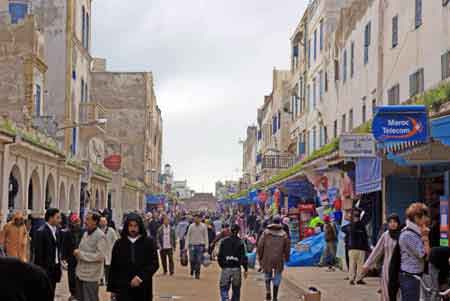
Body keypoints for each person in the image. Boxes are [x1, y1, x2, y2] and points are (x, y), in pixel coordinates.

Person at [107, 213, 160, 301]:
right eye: (130, 226)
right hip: (123, 288)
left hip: (143, 287)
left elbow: (154, 264)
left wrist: (140, 277)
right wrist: (113, 289)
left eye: (135, 226)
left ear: (140, 226)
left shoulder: (148, 243)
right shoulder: (119, 244)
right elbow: (114, 267)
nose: (133, 229)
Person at [362, 214, 401, 301]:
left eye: (395, 222)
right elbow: (377, 251)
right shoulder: (385, 235)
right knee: (386, 292)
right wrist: (367, 265)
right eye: (390, 222)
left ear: (398, 223)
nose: (392, 224)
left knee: (399, 293)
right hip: (387, 269)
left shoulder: (402, 235)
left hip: (400, 269)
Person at [398, 203, 431, 301]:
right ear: (416, 218)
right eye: (425, 216)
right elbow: (425, 255)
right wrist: (425, 238)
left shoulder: (415, 232)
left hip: (416, 277)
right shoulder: (408, 235)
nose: (427, 219)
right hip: (410, 277)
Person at [74, 211, 107, 301]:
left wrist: (81, 254)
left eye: (88, 219)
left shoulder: (100, 236)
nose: (85, 221)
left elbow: (100, 256)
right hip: (80, 273)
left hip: (91, 276)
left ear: (95, 222)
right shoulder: (85, 233)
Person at [257, 216, 290, 301]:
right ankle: (275, 297)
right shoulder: (284, 233)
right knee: (277, 275)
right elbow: (287, 247)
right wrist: (287, 257)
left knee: (267, 274)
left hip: (267, 258)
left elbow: (260, 245)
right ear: (280, 222)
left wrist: (260, 257)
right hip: (279, 258)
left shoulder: (266, 232)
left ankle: (268, 292)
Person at [33, 208, 62, 298]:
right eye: (57, 218)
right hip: (45, 269)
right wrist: (41, 271)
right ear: (50, 218)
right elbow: (39, 255)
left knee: (51, 292)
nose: (60, 220)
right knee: (43, 294)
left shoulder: (56, 231)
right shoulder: (41, 232)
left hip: (55, 267)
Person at [217, 224, 248, 301]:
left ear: (230, 230)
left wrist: (222, 265)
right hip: (236, 268)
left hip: (226, 268)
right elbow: (244, 257)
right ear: (238, 232)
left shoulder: (224, 241)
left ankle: (225, 299)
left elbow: (219, 255)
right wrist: (245, 269)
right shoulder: (241, 243)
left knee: (223, 287)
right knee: (236, 290)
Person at [341, 208, 369, 285]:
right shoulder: (362, 226)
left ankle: (351, 279)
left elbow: (343, 229)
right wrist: (367, 248)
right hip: (361, 248)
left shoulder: (349, 226)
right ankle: (359, 279)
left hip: (352, 247)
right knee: (360, 264)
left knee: (352, 264)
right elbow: (365, 237)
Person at [62, 213, 84, 301]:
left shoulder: (84, 232)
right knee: (71, 277)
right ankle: (73, 293)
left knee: (80, 276)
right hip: (71, 259)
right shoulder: (67, 233)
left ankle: (80, 293)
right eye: (75, 222)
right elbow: (64, 245)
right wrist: (64, 257)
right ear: (72, 222)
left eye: (78, 221)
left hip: (81, 258)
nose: (77, 223)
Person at [185, 213, 209, 279]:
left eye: (198, 218)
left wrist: (206, 247)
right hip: (192, 245)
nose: (196, 219)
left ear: (200, 219)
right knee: (192, 259)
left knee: (198, 260)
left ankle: (197, 274)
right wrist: (186, 246)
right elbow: (188, 236)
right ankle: (192, 269)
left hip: (200, 246)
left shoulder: (204, 226)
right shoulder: (191, 226)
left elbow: (206, 237)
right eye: (195, 218)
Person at [100, 216, 118, 286]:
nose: (103, 223)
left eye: (104, 221)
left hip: (109, 251)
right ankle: (101, 280)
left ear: (106, 222)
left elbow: (115, 240)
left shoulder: (111, 230)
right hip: (100, 252)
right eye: (101, 221)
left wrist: (114, 248)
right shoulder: (97, 230)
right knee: (101, 267)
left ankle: (107, 281)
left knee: (108, 267)